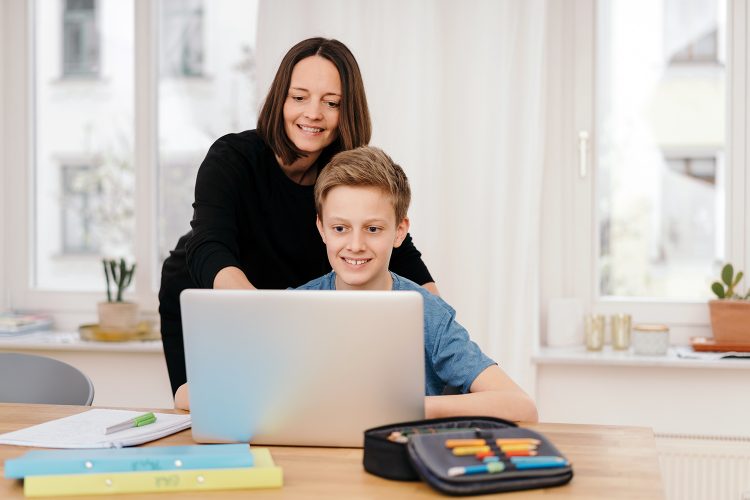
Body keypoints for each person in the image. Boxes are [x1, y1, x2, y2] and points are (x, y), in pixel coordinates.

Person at [176, 146, 538, 423]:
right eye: (340, 228)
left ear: (399, 231)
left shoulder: (427, 314)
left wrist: (404, 408)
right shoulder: (291, 310)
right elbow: (187, 396)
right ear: (321, 229)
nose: (355, 245)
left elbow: (520, 406)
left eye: (373, 228)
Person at [159, 37, 437, 397]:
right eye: (299, 97)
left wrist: (438, 326)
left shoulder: (346, 175)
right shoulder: (232, 158)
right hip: (218, 300)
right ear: (281, 100)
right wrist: (268, 317)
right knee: (209, 412)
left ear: (347, 110)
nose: (313, 113)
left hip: (291, 311)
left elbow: (402, 256)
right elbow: (211, 246)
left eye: (331, 102)